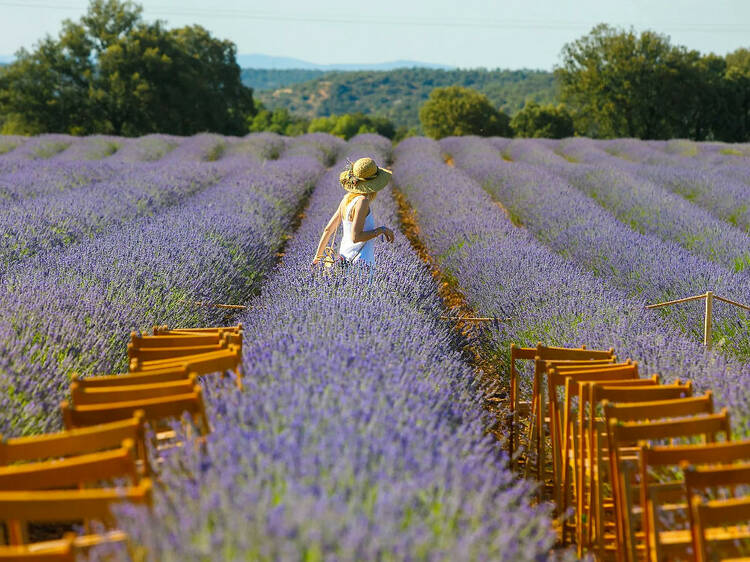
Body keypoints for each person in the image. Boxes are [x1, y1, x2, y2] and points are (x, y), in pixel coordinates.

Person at [312, 157, 395, 267]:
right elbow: (356, 237)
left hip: (343, 258)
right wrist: (381, 230)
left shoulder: (346, 199)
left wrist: (317, 258)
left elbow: (328, 229)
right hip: (361, 261)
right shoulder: (362, 201)